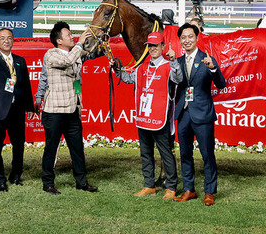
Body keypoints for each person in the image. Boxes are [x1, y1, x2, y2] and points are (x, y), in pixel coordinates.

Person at [110, 32, 182, 200]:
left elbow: (178, 79)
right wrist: (116, 69)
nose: (153, 49)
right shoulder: (142, 66)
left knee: (166, 153)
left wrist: (174, 61)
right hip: (144, 118)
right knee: (145, 152)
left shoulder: (168, 65)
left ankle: (171, 187)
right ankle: (149, 185)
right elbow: (128, 78)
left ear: (163, 47)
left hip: (160, 118)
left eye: (156, 45)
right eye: (150, 45)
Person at [39, 22, 97, 195]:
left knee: (77, 148)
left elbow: (91, 52)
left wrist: (96, 38)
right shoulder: (51, 54)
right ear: (58, 41)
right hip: (54, 111)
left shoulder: (76, 53)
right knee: (51, 148)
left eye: (72, 34)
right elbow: (68, 60)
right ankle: (48, 182)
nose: (72, 36)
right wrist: (79, 43)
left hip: (72, 110)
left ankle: (82, 182)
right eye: (68, 35)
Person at [173, 23, 226, 206]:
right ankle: (190, 189)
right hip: (183, 114)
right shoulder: (178, 62)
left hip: (203, 114)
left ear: (197, 38)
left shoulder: (207, 59)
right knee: (185, 154)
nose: (187, 40)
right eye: (183, 37)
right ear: (180, 41)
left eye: (190, 36)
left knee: (207, 155)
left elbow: (221, 84)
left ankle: (209, 192)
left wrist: (213, 69)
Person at [0, 28, 34, 192]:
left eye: (9, 38)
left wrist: (29, 106)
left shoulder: (20, 60)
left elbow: (25, 84)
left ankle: (16, 175)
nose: (6, 41)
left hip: (17, 108)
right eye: (2, 38)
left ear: (13, 40)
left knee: (18, 144)